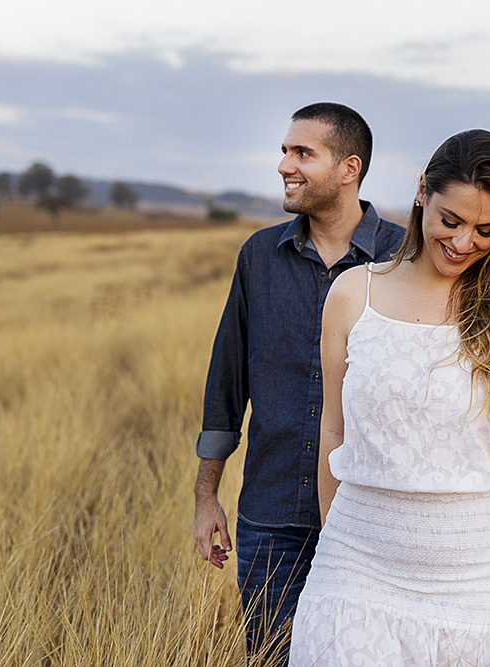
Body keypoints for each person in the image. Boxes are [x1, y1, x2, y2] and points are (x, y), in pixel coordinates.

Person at [289, 129, 490, 666]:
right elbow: (333, 429)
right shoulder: (353, 293)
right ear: (423, 191)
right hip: (356, 568)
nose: (464, 243)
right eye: (451, 220)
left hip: (483, 584)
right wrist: (335, 544)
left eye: (486, 230)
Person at [192, 102, 405, 663]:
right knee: (271, 657)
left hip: (374, 518)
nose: (285, 165)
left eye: (302, 153)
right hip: (272, 518)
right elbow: (226, 382)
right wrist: (206, 496)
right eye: (285, 151)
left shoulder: (406, 258)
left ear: (349, 168)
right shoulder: (259, 257)